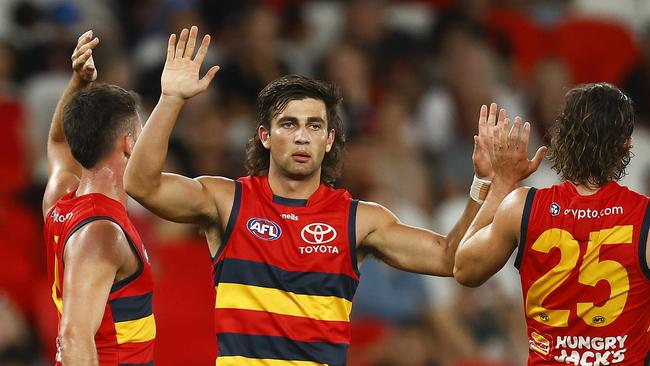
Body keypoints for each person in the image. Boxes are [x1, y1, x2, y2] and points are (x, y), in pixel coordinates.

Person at [124, 26, 541, 365]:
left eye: (314, 125)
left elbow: (451, 258)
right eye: (288, 124)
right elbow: (142, 184)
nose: (302, 135)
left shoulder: (359, 219)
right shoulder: (226, 200)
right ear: (265, 137)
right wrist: (171, 99)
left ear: (329, 140)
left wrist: (486, 185)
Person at [455, 83, 650, 365]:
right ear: (626, 144)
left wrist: (501, 183)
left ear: (562, 138)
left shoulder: (522, 206)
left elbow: (464, 270)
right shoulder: (645, 217)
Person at [42, 31, 155, 365]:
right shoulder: (102, 232)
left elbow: (60, 143)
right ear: (129, 143)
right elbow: (74, 337)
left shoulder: (61, 196)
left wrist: (79, 81)